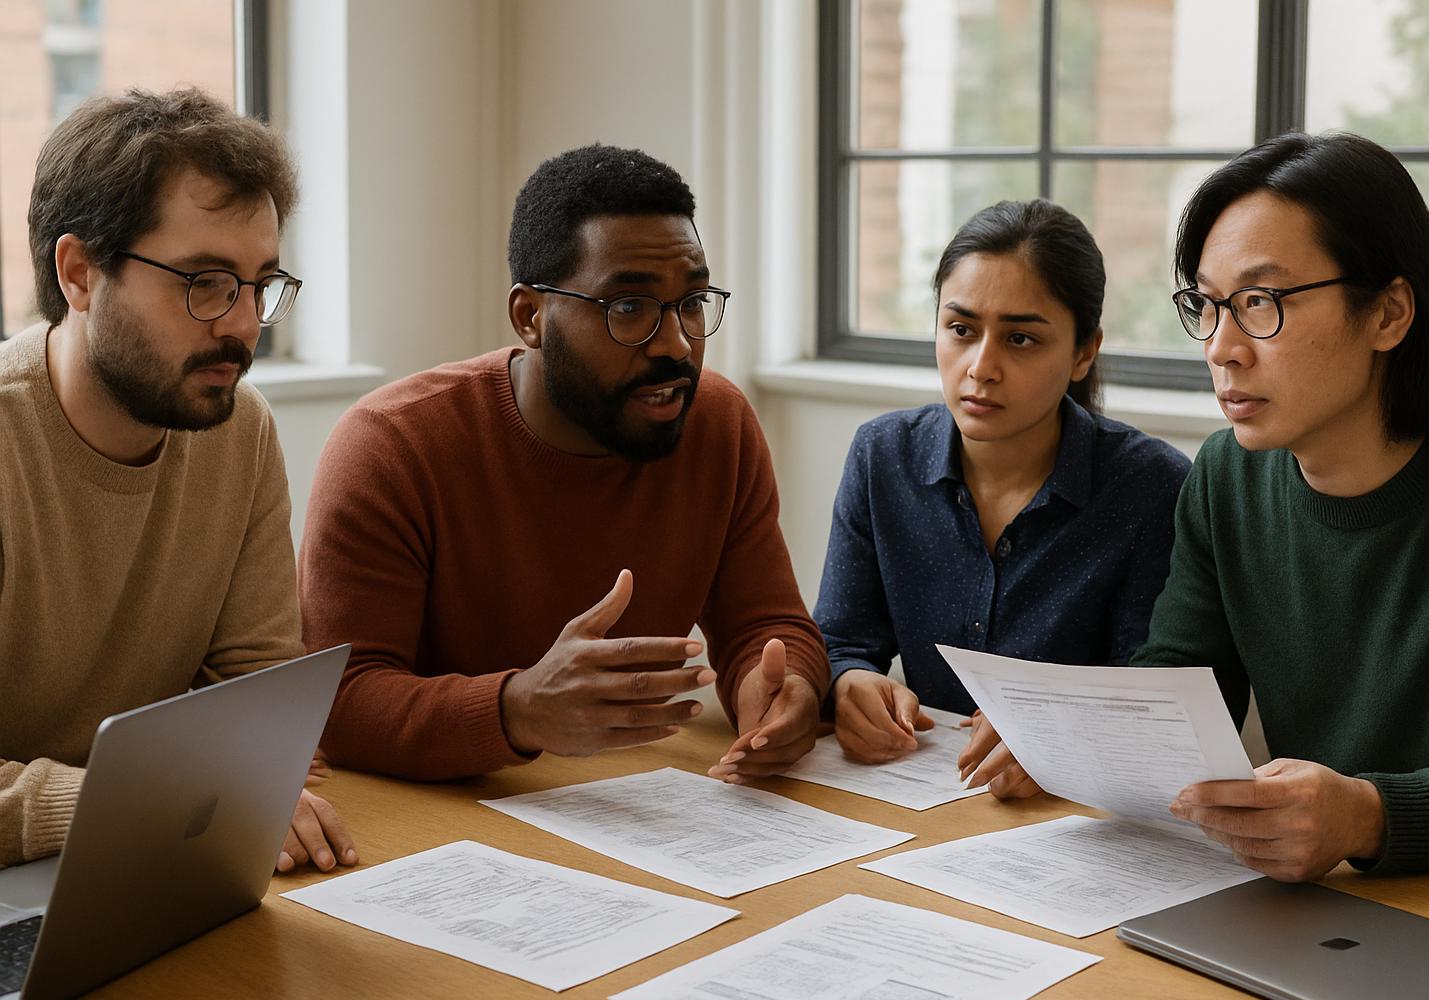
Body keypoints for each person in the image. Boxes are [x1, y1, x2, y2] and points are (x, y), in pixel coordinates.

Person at [300, 144, 829, 784]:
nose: (678, 344)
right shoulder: (392, 445)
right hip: (433, 815)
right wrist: (518, 709)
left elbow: (766, 622)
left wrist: (782, 686)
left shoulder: (717, 422)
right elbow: (339, 700)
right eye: (628, 308)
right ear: (532, 316)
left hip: (633, 801)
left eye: (691, 302)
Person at [1133, 131, 1429, 881]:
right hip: (1323, 910)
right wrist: (1066, 736)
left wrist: (1369, 815)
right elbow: (1180, 694)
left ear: (1388, 313)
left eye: (1259, 302)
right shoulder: (1225, 476)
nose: (1222, 347)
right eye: (1209, 305)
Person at [0, 87, 355, 874]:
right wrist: (150, 794)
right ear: (80, 274)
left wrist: (249, 781)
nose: (241, 325)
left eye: (260, 284)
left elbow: (260, 696)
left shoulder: (240, 428)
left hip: (140, 853)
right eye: (203, 282)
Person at [814, 199, 1190, 796]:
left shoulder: (1150, 486)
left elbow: (1153, 693)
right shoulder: (881, 457)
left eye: (1020, 339)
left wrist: (1058, 736)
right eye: (960, 330)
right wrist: (849, 682)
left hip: (1078, 818)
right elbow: (839, 637)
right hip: (914, 799)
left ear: (1083, 352)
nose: (980, 367)